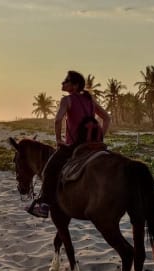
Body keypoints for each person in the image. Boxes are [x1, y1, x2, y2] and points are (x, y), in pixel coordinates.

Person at [27, 70, 111, 218]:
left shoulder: (67, 100)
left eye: (66, 81)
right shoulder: (90, 100)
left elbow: (58, 120)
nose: (62, 83)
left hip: (74, 146)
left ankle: (44, 206)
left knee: (49, 169)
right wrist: (99, 138)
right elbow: (107, 118)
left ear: (75, 85)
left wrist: (58, 139)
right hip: (93, 145)